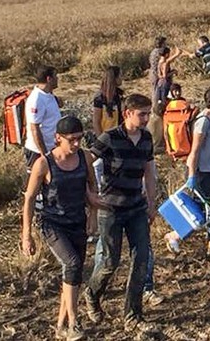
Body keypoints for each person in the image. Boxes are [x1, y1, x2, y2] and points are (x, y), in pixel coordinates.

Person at [21, 115, 103, 341]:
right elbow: (29, 199)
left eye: (80, 138)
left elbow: (92, 186)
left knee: (73, 275)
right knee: (72, 264)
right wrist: (26, 235)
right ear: (58, 138)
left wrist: (93, 215)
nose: (76, 144)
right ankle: (75, 322)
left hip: (78, 221)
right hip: (52, 223)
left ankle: (60, 326)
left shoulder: (84, 157)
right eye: (72, 140)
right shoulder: (44, 163)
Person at [85, 94, 159, 329]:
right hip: (111, 209)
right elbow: (87, 161)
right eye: (142, 114)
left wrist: (152, 203)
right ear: (128, 113)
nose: (147, 118)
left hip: (136, 207)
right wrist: (90, 195)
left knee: (141, 260)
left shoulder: (146, 138)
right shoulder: (110, 138)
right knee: (109, 261)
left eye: (148, 113)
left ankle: (133, 315)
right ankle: (92, 294)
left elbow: (149, 171)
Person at [165, 86, 210, 256]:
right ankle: (177, 236)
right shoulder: (204, 121)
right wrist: (191, 176)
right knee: (209, 208)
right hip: (203, 172)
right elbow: (194, 151)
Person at [24, 66, 62, 173]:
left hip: (52, 148)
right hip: (37, 151)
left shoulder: (48, 94)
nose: (58, 79)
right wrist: (44, 154)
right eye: (56, 76)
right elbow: (34, 128)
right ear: (49, 79)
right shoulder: (36, 99)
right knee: (34, 182)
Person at [92, 66, 124, 135]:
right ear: (115, 78)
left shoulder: (119, 95)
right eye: (120, 75)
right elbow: (96, 122)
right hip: (106, 136)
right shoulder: (100, 98)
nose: (122, 78)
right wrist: (101, 140)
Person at [148, 36, 166, 106]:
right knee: (156, 91)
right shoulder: (160, 51)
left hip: (153, 72)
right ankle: (155, 107)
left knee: (155, 90)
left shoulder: (153, 51)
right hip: (156, 73)